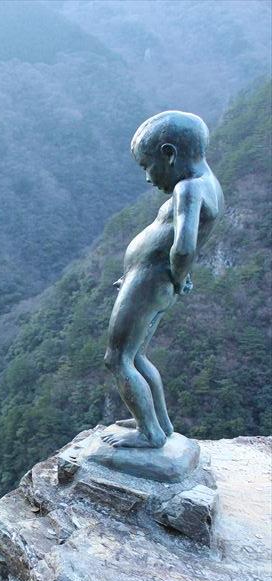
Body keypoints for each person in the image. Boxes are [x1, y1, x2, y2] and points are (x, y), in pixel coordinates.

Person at [102, 111, 224, 448]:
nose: (147, 177)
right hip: (151, 281)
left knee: (118, 358)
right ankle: (160, 423)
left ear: (169, 154)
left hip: (150, 282)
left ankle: (150, 433)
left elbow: (183, 247)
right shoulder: (209, 183)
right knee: (138, 355)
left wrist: (178, 277)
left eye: (148, 165)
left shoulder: (188, 188)